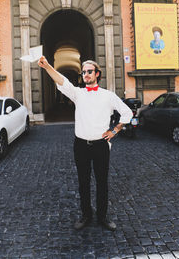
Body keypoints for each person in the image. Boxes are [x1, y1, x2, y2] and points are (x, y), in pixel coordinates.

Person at [38, 56, 133, 231]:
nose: (86, 74)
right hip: (81, 145)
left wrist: (115, 130)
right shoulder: (78, 93)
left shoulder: (108, 96)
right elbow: (62, 81)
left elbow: (127, 113)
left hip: (101, 145)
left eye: (89, 71)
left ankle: (103, 217)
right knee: (83, 182)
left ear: (97, 74)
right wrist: (47, 66)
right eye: (83, 72)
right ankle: (86, 215)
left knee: (101, 182)